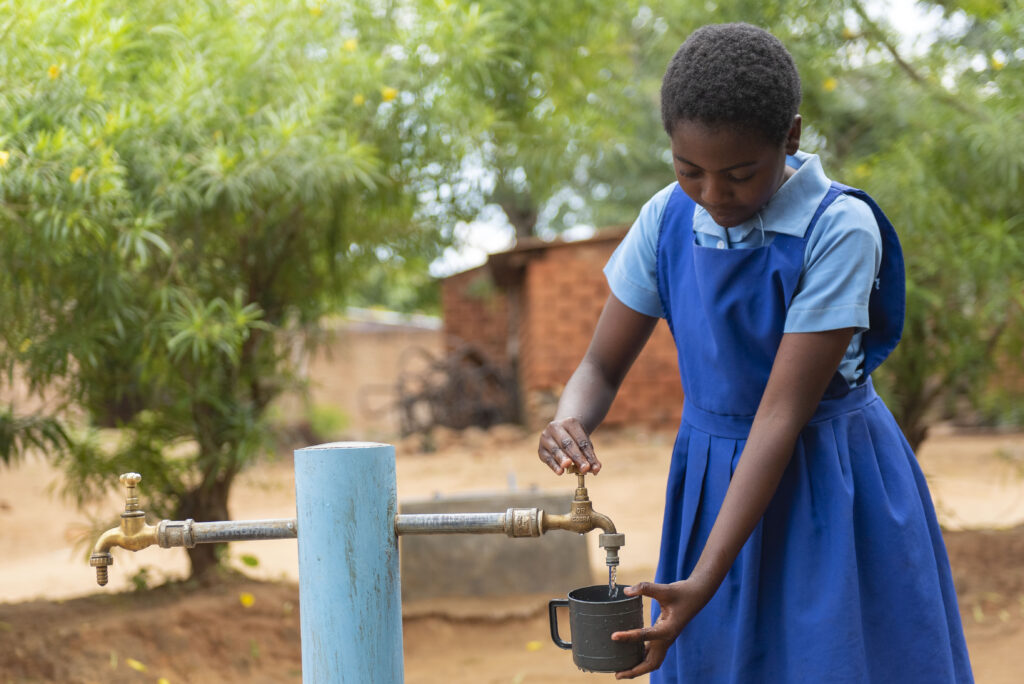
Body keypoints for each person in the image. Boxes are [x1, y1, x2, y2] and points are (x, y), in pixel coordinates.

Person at [536, 22, 973, 683]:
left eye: (740, 174)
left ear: (790, 137)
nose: (714, 196)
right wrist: (570, 419)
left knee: (837, 658)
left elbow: (778, 417)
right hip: (712, 478)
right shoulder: (666, 219)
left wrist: (704, 580)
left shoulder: (839, 228)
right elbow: (599, 367)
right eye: (690, 171)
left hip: (828, 478)